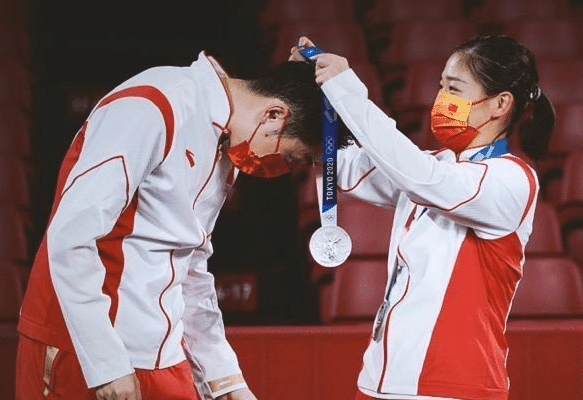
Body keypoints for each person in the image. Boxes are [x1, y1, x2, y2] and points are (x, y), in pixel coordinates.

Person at [16, 51, 352, 400]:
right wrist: (106, 363)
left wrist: (226, 380)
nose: (279, 169)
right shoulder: (152, 105)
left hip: (162, 354)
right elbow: (71, 237)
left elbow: (190, 267)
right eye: (290, 158)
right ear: (274, 115)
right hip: (84, 349)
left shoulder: (228, 142)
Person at [292, 34, 554, 400]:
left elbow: (418, 175)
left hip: (452, 385)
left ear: (500, 103)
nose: (441, 98)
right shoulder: (435, 165)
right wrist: (310, 92)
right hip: (381, 380)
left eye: (454, 89)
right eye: (441, 86)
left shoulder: (512, 179)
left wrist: (347, 90)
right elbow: (348, 167)